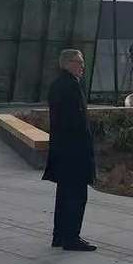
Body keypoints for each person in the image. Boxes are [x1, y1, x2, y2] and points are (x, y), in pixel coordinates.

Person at [43, 49, 96, 252]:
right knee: (76, 195)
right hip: (74, 151)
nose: (82, 66)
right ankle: (71, 237)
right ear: (66, 63)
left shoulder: (58, 84)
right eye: (78, 62)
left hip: (63, 149)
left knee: (64, 194)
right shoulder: (71, 86)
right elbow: (75, 122)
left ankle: (60, 235)